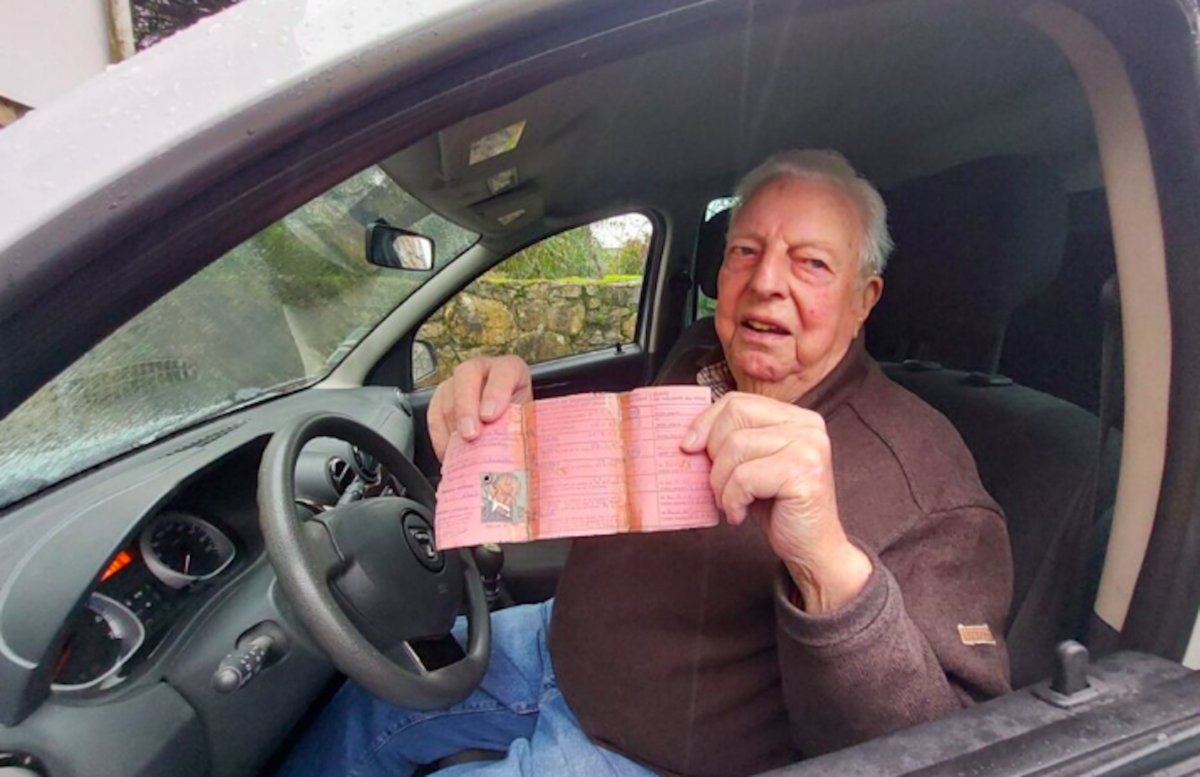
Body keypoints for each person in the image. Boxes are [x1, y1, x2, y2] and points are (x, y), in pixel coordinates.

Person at [281, 150, 1013, 777]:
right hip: (549, 644)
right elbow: (612, 474)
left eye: (812, 263)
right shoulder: (702, 352)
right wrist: (507, 421)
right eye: (745, 250)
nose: (765, 284)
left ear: (863, 300)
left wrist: (826, 559)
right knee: (372, 692)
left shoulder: (930, 480)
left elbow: (949, 748)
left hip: (644, 755)